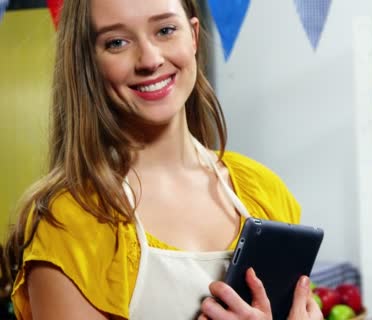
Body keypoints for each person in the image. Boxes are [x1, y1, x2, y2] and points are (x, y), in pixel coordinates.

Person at [4, 0, 323, 319]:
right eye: (117, 42)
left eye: (166, 30)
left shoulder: (263, 188)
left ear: (194, 36)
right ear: (87, 61)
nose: (150, 59)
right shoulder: (70, 220)